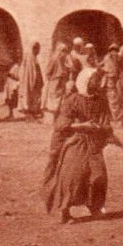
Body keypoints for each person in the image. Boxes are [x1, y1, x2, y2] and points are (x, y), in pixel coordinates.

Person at [41, 67, 113, 222]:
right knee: (72, 176)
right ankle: (64, 210)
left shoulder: (101, 100)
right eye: (94, 79)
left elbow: (106, 122)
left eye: (97, 79)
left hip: (94, 143)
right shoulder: (72, 100)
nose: (98, 82)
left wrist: (105, 130)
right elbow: (61, 125)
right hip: (76, 141)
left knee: (98, 175)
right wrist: (82, 126)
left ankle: (95, 208)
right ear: (85, 81)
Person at [43, 42, 70, 118]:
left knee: (60, 100)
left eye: (65, 51)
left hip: (61, 82)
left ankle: (57, 117)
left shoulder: (63, 60)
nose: (64, 53)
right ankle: (52, 117)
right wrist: (52, 79)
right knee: (53, 99)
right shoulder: (54, 59)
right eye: (63, 51)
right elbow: (48, 71)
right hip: (55, 82)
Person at [22, 42, 45, 119]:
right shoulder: (30, 58)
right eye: (38, 49)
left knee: (35, 97)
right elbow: (31, 72)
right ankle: (30, 115)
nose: (39, 51)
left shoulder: (34, 57)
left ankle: (33, 113)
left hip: (35, 81)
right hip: (32, 81)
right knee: (30, 96)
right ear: (34, 49)